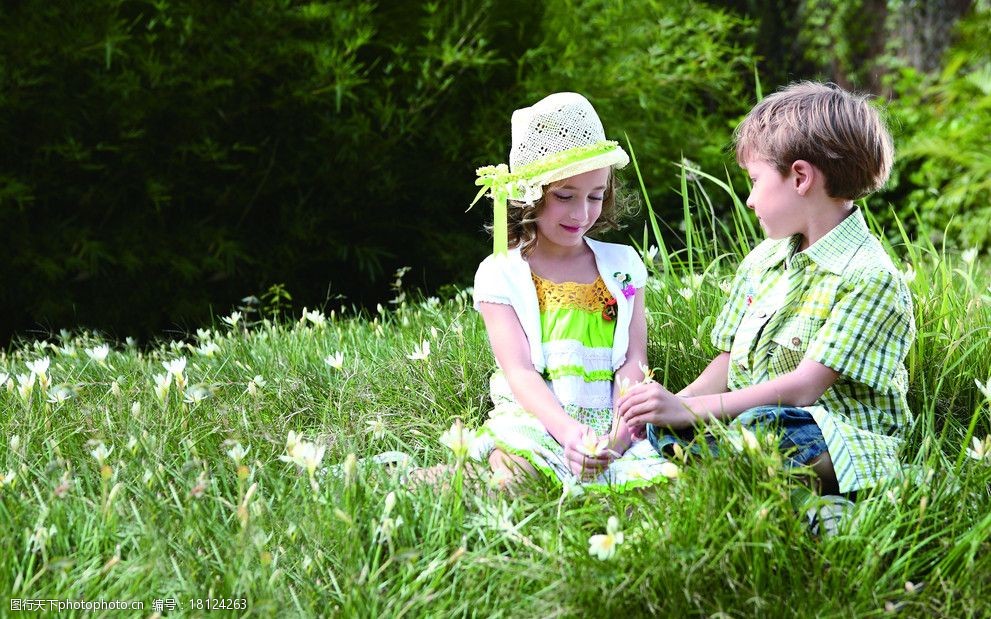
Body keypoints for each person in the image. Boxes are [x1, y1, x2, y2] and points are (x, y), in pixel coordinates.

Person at [618, 82, 915, 500]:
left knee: (765, 430)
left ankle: (739, 486)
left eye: (755, 180)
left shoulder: (869, 277)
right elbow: (728, 361)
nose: (750, 199)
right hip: (749, 423)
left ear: (800, 177)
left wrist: (687, 410)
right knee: (685, 429)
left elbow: (802, 390)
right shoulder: (763, 261)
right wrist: (665, 408)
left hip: (834, 439)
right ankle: (708, 472)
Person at [468, 92, 674, 491]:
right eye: (565, 196)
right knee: (519, 481)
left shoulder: (622, 267)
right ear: (532, 194)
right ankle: (460, 477)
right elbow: (520, 373)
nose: (582, 214)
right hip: (539, 419)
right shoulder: (502, 274)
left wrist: (617, 437)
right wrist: (566, 432)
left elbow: (634, 360)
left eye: (595, 196)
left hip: (611, 421)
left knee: (657, 487)